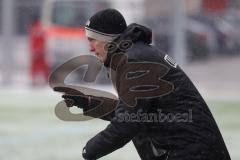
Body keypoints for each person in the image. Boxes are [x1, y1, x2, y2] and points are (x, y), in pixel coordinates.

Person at [62, 9, 231, 160]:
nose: (90, 48)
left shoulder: (133, 61)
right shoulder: (135, 55)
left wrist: (90, 150)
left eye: (93, 40)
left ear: (107, 40)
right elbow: (136, 113)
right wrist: (91, 104)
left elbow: (127, 123)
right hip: (191, 150)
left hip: (190, 152)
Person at [29, 15, 49, 86]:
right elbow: (43, 40)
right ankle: (45, 79)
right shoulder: (40, 28)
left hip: (37, 50)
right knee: (43, 66)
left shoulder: (35, 28)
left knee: (35, 66)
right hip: (40, 50)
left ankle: (34, 80)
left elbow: (35, 41)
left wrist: (36, 50)